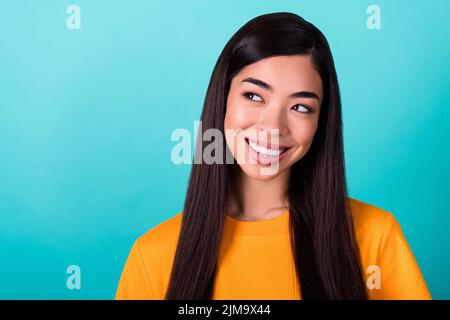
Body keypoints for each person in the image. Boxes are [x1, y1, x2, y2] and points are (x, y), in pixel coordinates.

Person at [115, 12, 431, 300]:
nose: (272, 126)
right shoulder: (152, 256)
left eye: (300, 107)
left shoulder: (376, 236)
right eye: (254, 95)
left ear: (320, 122)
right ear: (222, 98)